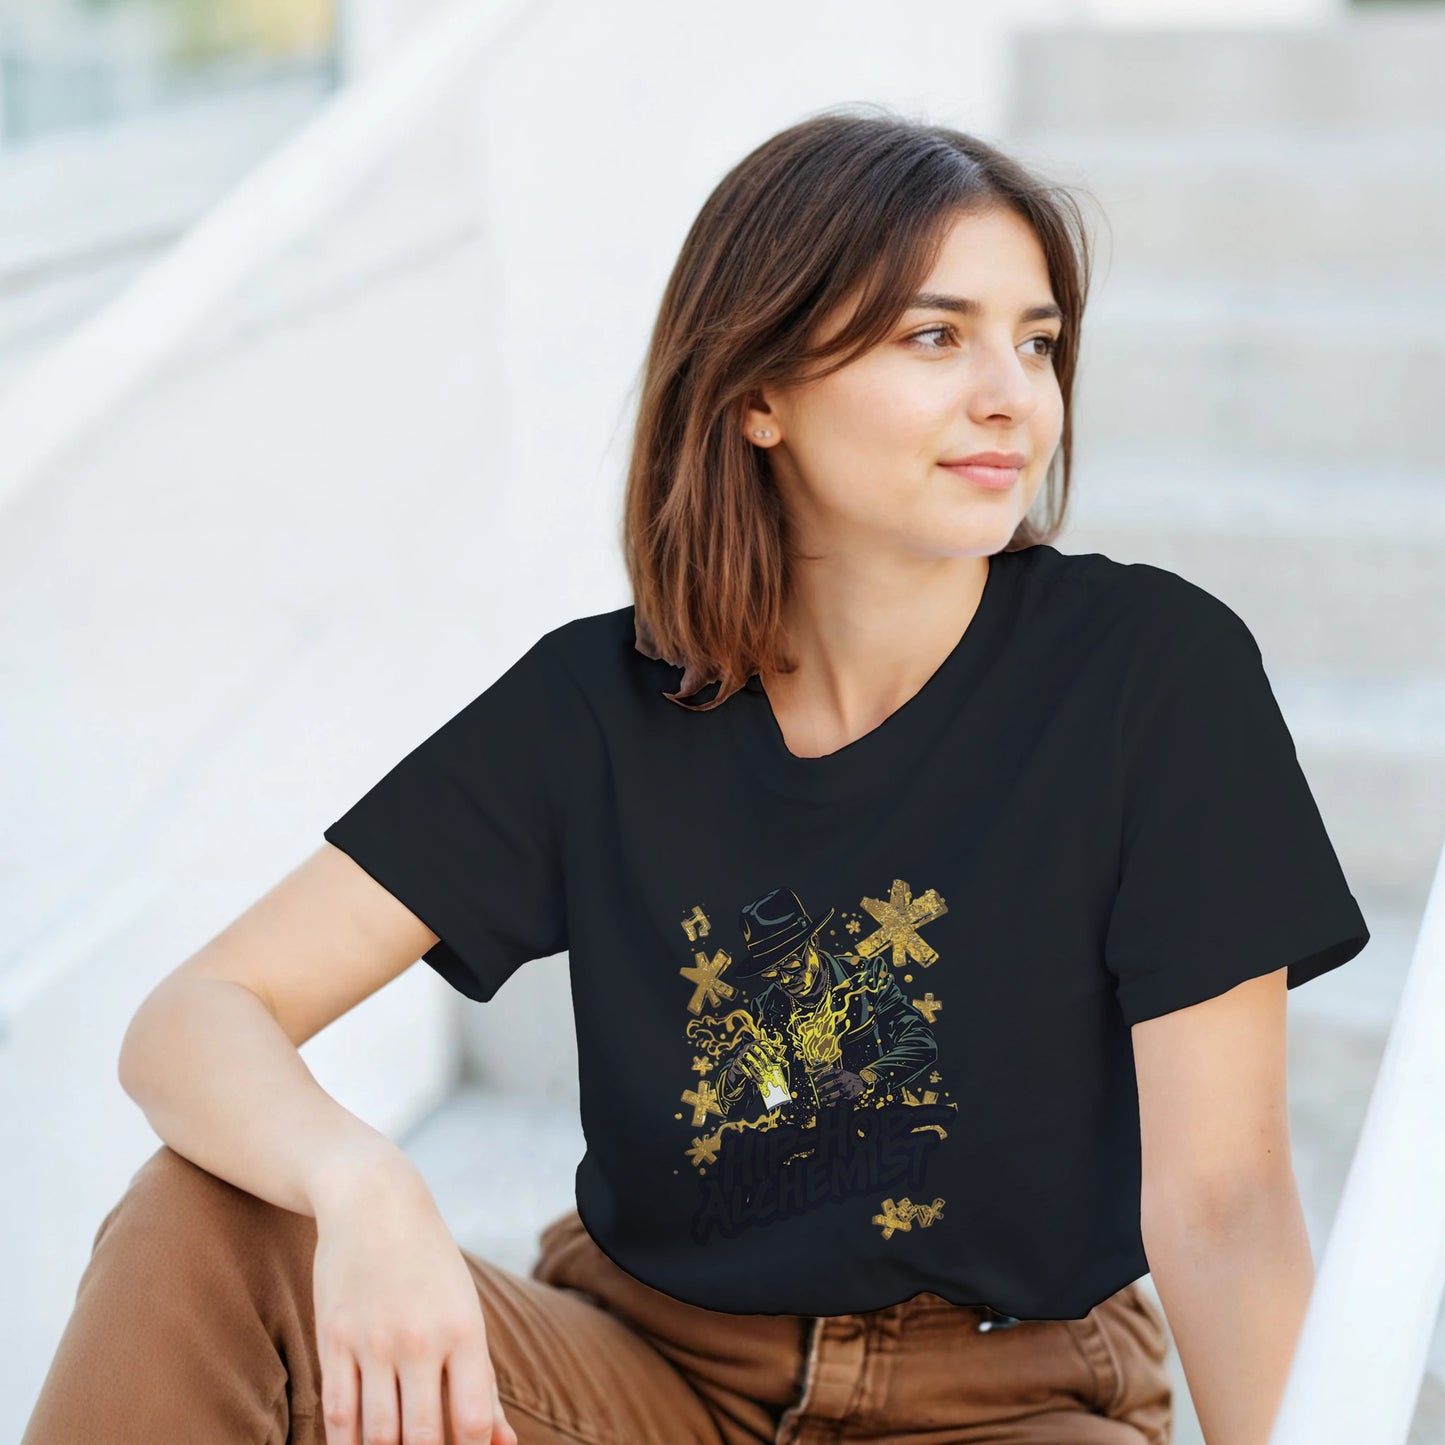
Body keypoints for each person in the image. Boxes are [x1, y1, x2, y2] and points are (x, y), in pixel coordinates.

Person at [22, 105, 1371, 1445]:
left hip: (1004, 1399)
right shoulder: (598, 707)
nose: (1010, 394)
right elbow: (196, 1013)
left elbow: (1222, 1202)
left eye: (1035, 341)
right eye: (932, 335)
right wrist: (361, 1178)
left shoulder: (1147, 675)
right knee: (205, 1218)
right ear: (756, 392)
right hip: (641, 1372)